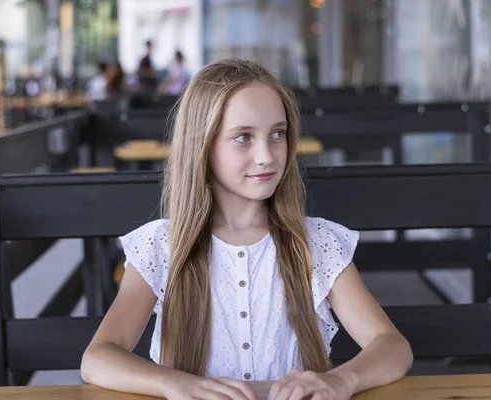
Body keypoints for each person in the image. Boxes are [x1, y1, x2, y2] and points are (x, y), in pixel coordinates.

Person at [80, 58, 413, 400]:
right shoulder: (162, 246)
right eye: (243, 137)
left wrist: (342, 380)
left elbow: (392, 346)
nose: (267, 156)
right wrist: (175, 383)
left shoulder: (315, 243)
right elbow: (98, 357)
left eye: (277, 134)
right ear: (202, 145)